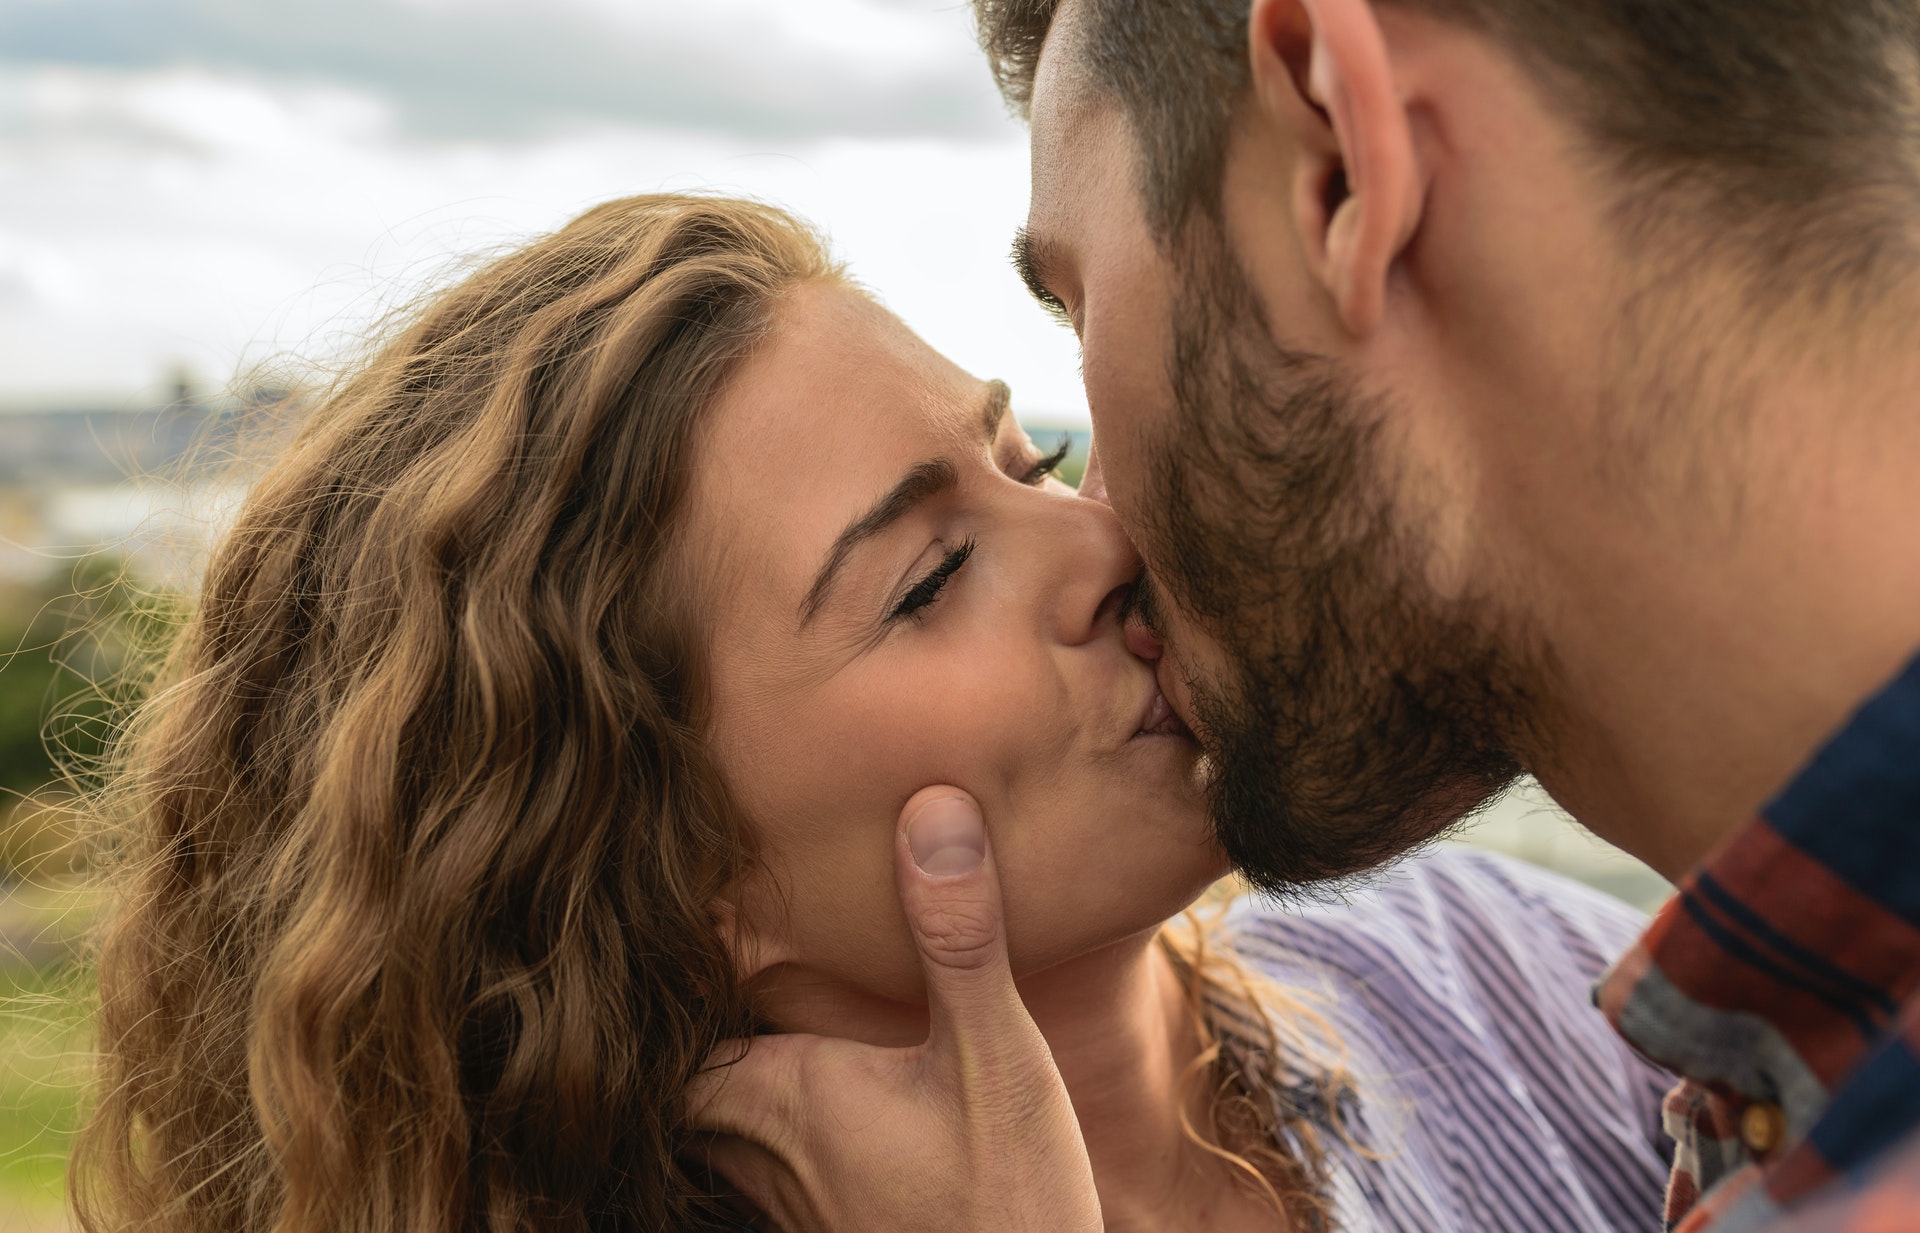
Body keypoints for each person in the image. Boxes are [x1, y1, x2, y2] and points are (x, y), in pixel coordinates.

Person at [74, 194, 1671, 1233]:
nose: (1107, 541)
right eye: (925, 579)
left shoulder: (1498, 973)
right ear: (668, 873)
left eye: (1025, 461)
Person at [689, 0, 1920, 1231]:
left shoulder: (1532, 995)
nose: (1101, 518)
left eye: (1082, 304)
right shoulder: (1755, 1073)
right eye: (935, 574)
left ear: (1336, 162)